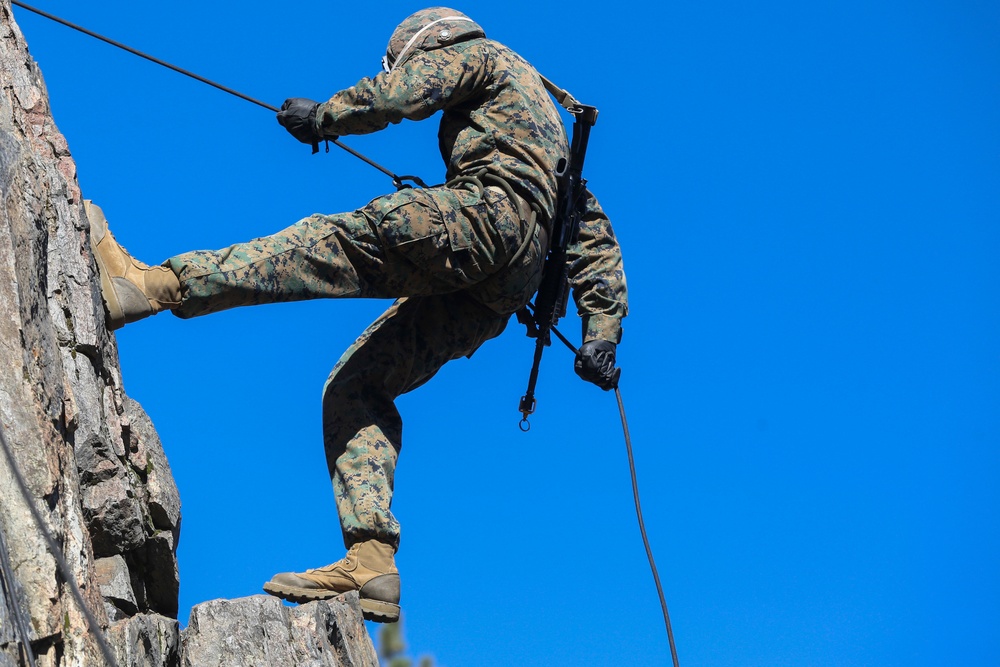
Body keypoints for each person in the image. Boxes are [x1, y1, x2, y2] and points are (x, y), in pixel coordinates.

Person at [87, 7, 627, 623]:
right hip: (501, 290)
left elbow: (404, 94)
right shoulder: (550, 123)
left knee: (325, 246)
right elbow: (594, 235)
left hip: (478, 218)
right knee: (357, 385)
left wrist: (325, 117)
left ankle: (148, 286)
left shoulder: (485, 56)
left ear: (429, 42)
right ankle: (371, 559)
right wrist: (602, 335)